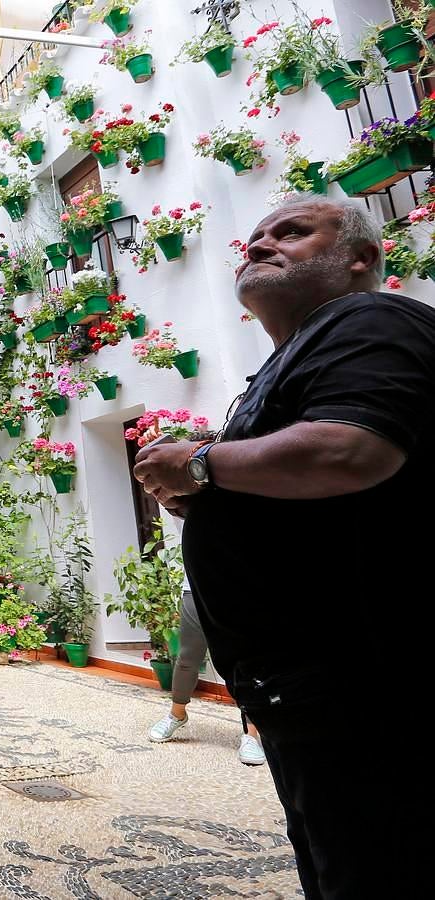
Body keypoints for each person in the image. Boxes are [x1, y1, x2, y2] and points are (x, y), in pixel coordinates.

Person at [132, 195, 432, 898]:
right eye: (255, 236)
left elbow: (349, 451)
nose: (259, 244)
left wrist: (199, 464)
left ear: (359, 258)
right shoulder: (294, 357)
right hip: (311, 695)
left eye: (291, 233)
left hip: (369, 692)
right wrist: (206, 492)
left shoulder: (367, 318)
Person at [145, 591, 265, 767]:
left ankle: (251, 735)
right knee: (187, 658)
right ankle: (176, 714)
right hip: (195, 588)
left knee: (246, 660)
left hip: (239, 586)